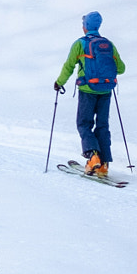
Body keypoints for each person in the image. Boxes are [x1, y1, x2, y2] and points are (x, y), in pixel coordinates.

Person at [54, 11, 124, 177]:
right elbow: (121, 68)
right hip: (106, 90)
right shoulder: (109, 44)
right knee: (102, 125)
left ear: (85, 26)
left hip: (87, 90)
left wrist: (59, 83)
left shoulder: (80, 44)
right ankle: (104, 164)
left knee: (84, 123)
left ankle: (93, 157)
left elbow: (69, 66)